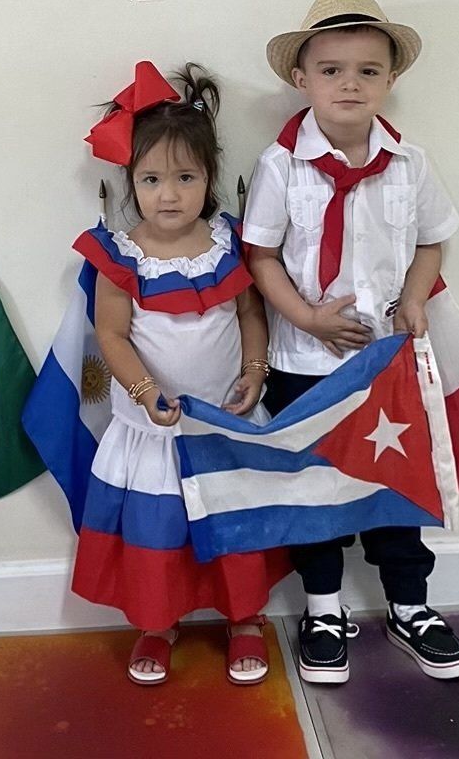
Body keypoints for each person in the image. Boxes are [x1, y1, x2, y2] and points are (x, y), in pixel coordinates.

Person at [244, 0, 459, 686]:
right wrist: (307, 316)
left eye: (367, 71)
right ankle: (322, 608)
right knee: (313, 487)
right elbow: (259, 256)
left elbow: (433, 240)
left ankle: (409, 605)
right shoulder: (279, 166)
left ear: (390, 81)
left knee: (392, 484)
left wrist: (412, 298)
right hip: (302, 361)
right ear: (300, 79)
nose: (349, 83)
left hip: (384, 361)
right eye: (331, 69)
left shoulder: (411, 163)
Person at [72, 63, 288, 685]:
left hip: (225, 422)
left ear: (210, 179)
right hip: (151, 429)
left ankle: (245, 619)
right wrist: (145, 393)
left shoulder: (230, 243)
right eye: (153, 179)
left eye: (186, 177)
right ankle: (156, 624)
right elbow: (110, 336)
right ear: (131, 182)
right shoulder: (120, 255)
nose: (170, 194)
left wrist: (255, 370)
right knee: (156, 529)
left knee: (234, 524)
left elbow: (251, 311)